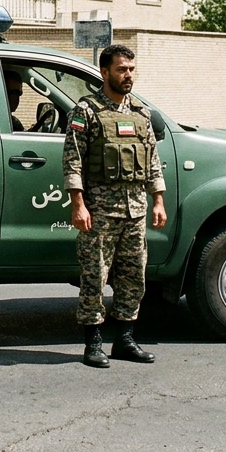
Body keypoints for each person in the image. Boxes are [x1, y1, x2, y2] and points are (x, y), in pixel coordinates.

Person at [62, 44, 166, 368]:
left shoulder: (141, 113)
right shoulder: (87, 111)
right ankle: (93, 343)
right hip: (100, 212)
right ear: (105, 72)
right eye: (122, 70)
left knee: (133, 277)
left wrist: (158, 200)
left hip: (135, 211)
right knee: (95, 277)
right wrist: (78, 205)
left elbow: (152, 161)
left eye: (131, 69)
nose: (128, 75)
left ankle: (124, 340)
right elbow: (72, 161)